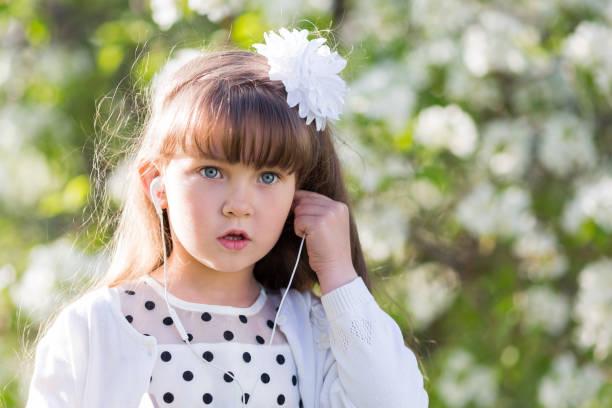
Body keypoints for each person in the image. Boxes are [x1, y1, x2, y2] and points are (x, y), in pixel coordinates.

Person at [25, 27, 428, 408]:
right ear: (157, 183)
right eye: (212, 172)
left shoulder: (310, 328)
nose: (239, 204)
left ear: (297, 195)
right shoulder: (97, 328)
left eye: (268, 177)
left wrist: (339, 273)